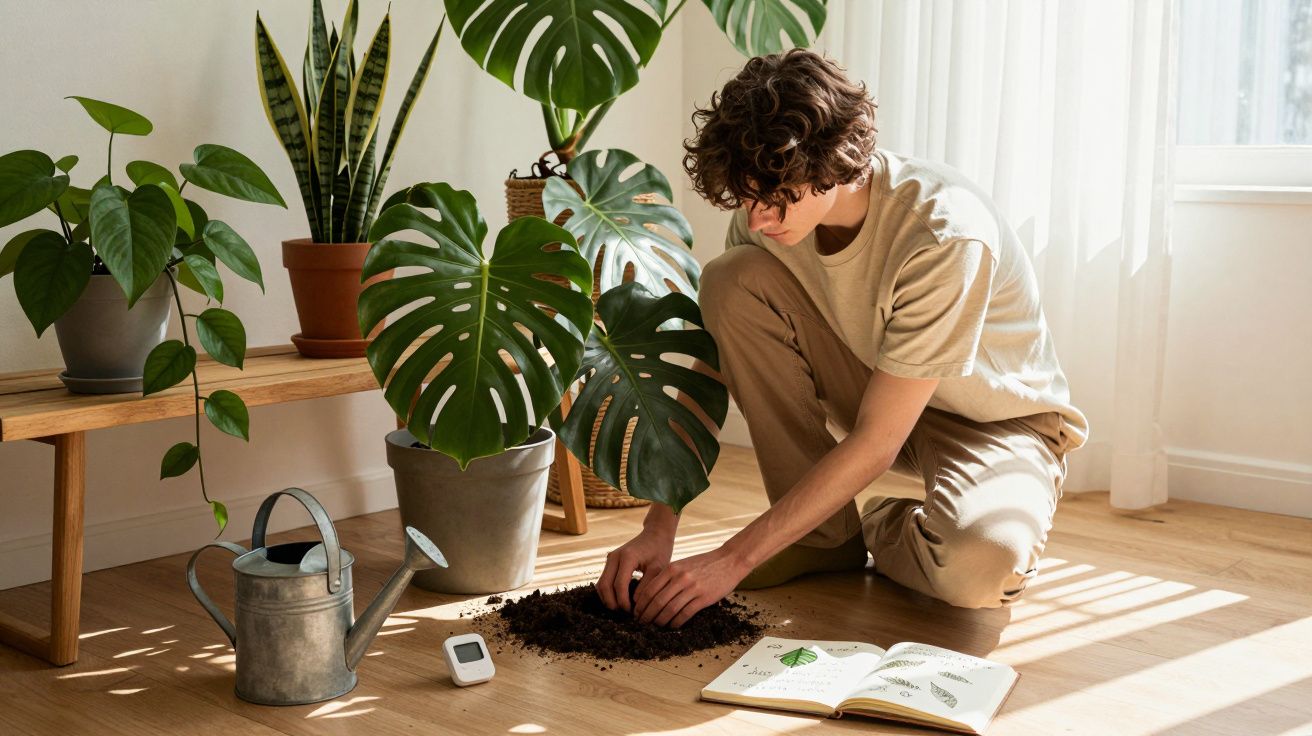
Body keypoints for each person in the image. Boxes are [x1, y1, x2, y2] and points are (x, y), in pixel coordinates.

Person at [596, 49, 1089, 628]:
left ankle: (882, 522)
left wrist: (732, 560)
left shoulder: (943, 233)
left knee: (980, 567)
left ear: (833, 164)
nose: (756, 220)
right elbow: (708, 370)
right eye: (747, 198)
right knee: (730, 280)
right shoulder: (768, 219)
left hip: (992, 420)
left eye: (774, 199)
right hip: (873, 384)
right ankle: (821, 538)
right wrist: (659, 527)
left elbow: (878, 441)